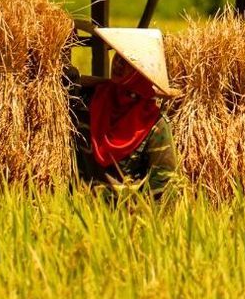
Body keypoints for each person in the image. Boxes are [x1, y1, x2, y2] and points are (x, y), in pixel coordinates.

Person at [70, 28, 181, 200]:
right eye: (118, 57)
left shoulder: (155, 124)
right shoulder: (90, 100)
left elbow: (164, 183)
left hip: (127, 218)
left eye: (128, 61)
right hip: (82, 213)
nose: (118, 64)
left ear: (142, 72)